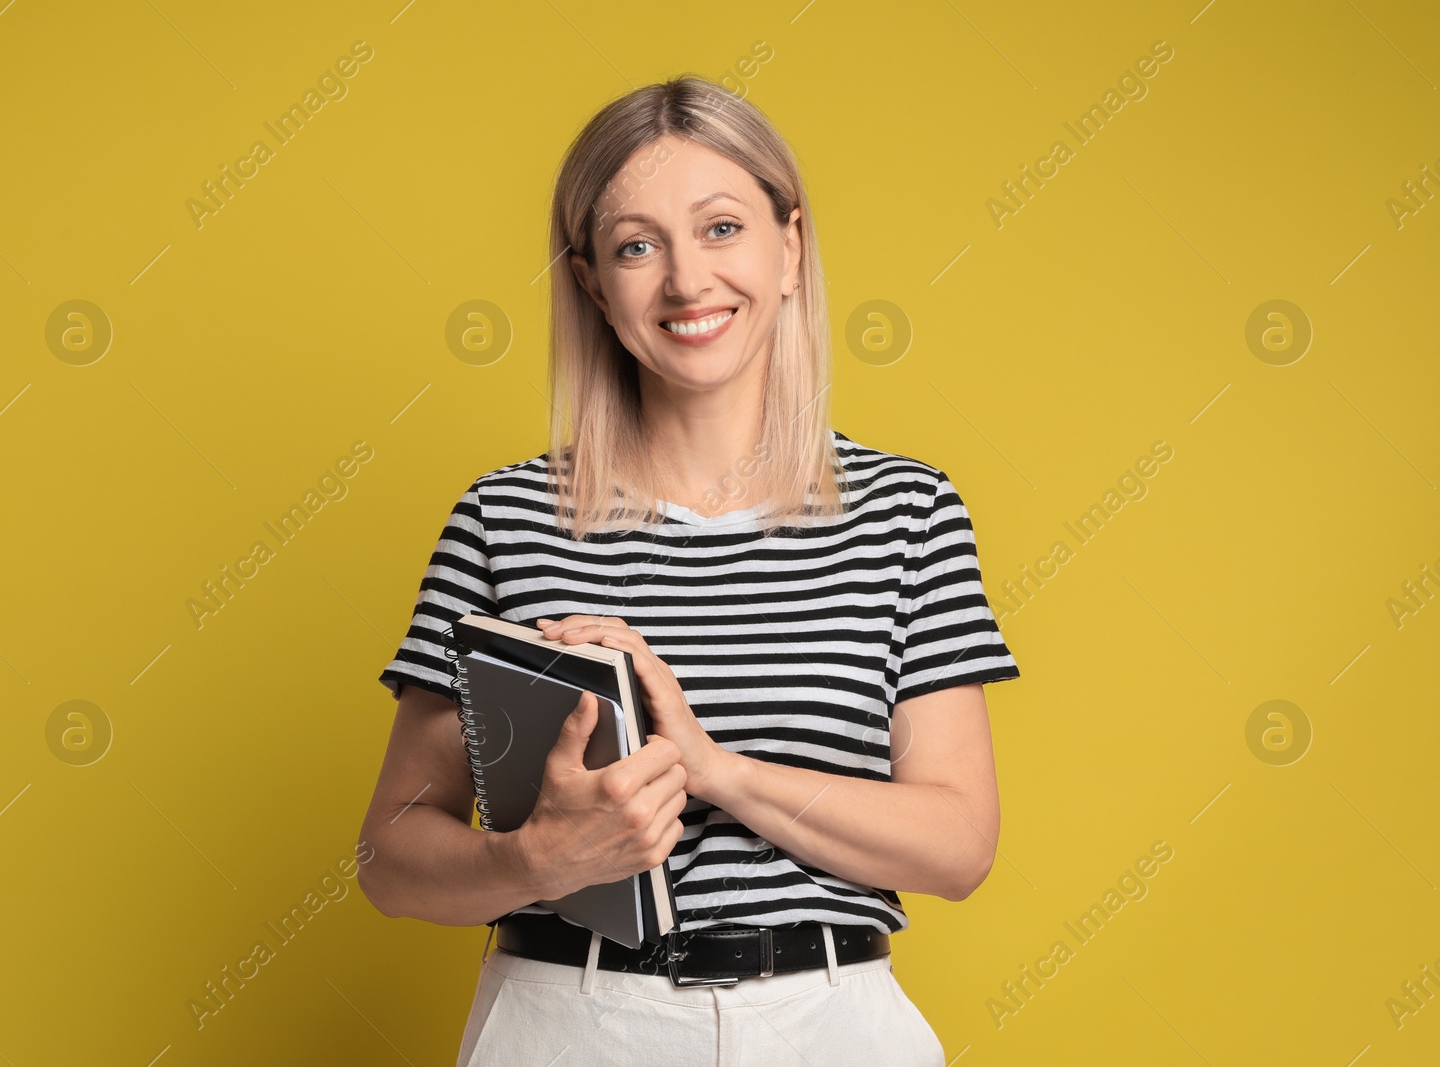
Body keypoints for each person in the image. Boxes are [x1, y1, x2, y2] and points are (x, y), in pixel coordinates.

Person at [357, 74, 1020, 1067]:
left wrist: (713, 767)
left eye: (720, 228)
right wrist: (533, 857)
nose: (685, 280)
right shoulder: (504, 519)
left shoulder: (907, 513)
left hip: (829, 1024)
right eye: (636, 244)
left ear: (789, 247)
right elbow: (390, 856)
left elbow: (958, 844)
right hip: (566, 1020)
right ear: (591, 283)